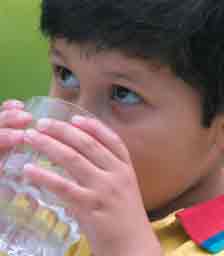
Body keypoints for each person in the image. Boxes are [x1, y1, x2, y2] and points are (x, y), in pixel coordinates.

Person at [1, 0, 224, 255]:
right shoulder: (39, 208)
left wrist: (127, 247)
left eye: (123, 94)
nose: (75, 124)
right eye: (66, 74)